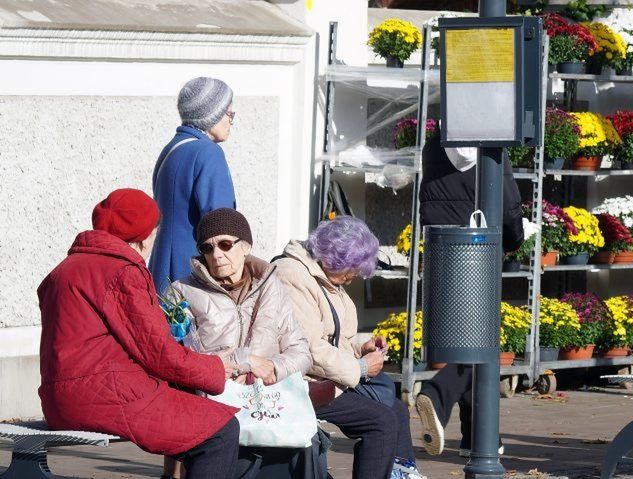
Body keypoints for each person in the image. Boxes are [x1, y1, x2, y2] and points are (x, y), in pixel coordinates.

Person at [36, 188, 241, 479]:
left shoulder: (63, 271)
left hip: (58, 401)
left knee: (190, 414)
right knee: (220, 431)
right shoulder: (122, 271)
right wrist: (215, 369)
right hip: (106, 398)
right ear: (145, 237)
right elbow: (158, 353)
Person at [165, 208, 316, 478]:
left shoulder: (272, 286)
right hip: (214, 404)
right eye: (207, 248)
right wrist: (241, 363)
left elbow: (302, 353)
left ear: (246, 246)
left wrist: (272, 367)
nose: (216, 254)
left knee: (310, 447)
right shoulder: (182, 292)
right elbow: (177, 359)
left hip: (267, 401)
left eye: (225, 244)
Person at [274, 216, 425, 479]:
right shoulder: (291, 276)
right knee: (380, 422)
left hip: (325, 376)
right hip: (298, 382)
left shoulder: (326, 277)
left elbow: (333, 338)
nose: (351, 278)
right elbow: (308, 349)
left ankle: (400, 473)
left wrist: (359, 348)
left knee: (397, 410)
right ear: (334, 258)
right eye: (350, 271)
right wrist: (361, 367)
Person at [414, 137, 523, 457]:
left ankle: (475, 436)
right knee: (480, 343)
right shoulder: (491, 145)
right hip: (478, 248)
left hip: (441, 246)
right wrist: (515, 238)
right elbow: (508, 202)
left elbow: (428, 196)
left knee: (467, 339)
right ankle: (437, 394)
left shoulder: (434, 145)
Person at [151, 76, 238, 291]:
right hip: (192, 275)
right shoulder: (208, 152)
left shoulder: (172, 149)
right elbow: (220, 224)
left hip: (161, 269)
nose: (231, 121)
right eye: (228, 114)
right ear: (210, 115)